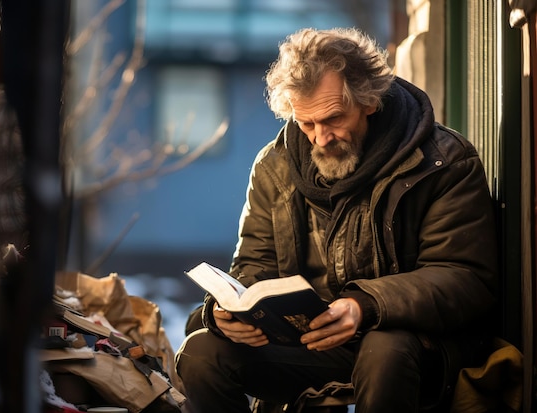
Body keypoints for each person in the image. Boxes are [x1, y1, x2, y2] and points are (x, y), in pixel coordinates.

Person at [174, 27, 498, 413]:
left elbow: (465, 277)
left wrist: (367, 306)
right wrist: (226, 313)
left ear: (369, 101)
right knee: (201, 353)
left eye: (333, 119)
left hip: (409, 345)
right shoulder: (273, 166)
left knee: (383, 350)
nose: (320, 138)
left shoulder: (443, 161)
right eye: (306, 123)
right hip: (309, 342)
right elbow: (253, 268)